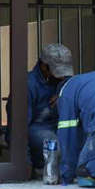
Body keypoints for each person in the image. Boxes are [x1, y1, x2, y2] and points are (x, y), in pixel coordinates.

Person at [20, 43, 74, 176]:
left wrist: (63, 93)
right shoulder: (28, 84)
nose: (61, 76)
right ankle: (44, 166)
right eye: (57, 71)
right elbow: (19, 126)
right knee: (55, 147)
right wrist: (25, 164)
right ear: (43, 65)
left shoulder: (65, 81)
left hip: (61, 126)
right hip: (38, 127)